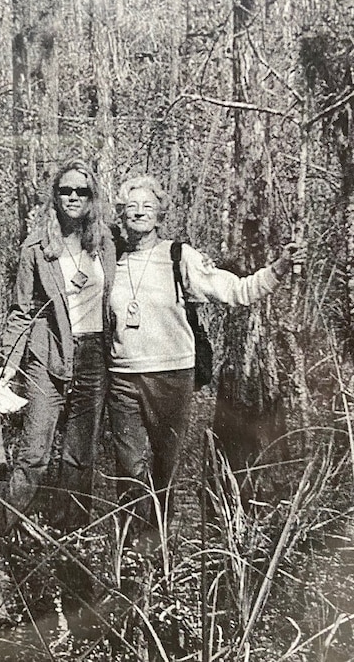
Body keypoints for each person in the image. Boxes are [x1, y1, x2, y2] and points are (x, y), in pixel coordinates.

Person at [107, 174, 306, 547]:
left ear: (160, 213)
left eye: (147, 205)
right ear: (120, 213)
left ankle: (161, 546)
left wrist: (278, 269)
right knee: (130, 469)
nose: (139, 212)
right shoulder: (109, 259)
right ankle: (131, 552)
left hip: (172, 376)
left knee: (166, 468)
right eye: (131, 206)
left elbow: (236, 290)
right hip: (122, 377)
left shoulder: (179, 256)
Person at [0, 158, 116, 537]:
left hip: (94, 357)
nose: (73, 197)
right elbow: (22, 311)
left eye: (82, 191)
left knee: (79, 455)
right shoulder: (36, 246)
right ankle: (6, 532)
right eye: (66, 190)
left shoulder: (107, 243)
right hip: (47, 357)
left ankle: (72, 534)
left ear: (93, 197)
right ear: (55, 196)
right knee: (34, 453)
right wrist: (7, 367)